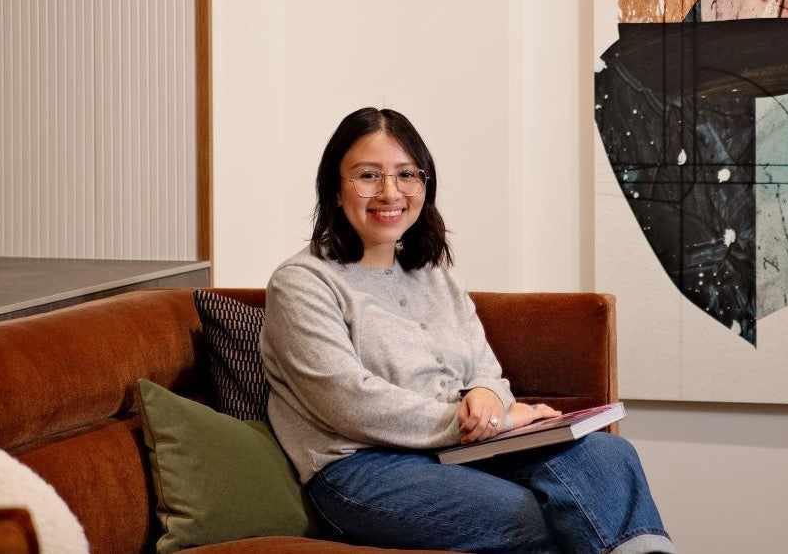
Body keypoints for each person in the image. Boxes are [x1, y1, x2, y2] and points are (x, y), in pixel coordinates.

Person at [260, 107, 676, 554]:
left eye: (406, 174)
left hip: (463, 451)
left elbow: (486, 370)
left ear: (425, 185)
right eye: (368, 176)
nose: (390, 192)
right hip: (361, 467)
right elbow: (348, 402)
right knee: (548, 515)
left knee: (608, 455)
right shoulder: (302, 282)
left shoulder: (436, 277)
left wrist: (487, 395)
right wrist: (485, 422)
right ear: (335, 191)